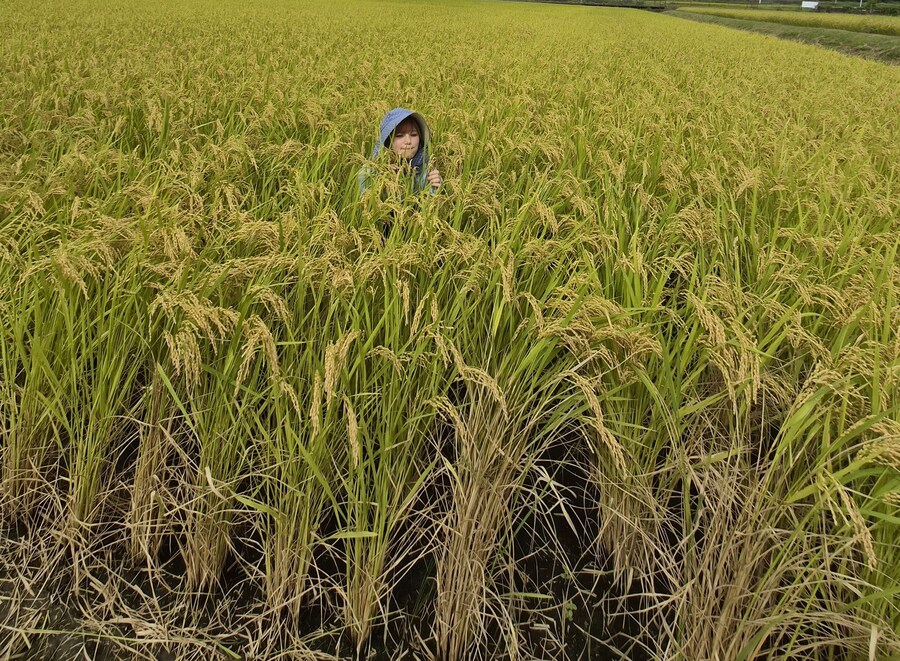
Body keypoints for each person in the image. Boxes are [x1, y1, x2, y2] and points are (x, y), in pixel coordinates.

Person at [359, 108, 442, 197]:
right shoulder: (369, 173)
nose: (408, 141)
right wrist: (383, 183)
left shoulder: (425, 171)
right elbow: (368, 202)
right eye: (399, 135)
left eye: (414, 135)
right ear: (387, 141)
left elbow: (430, 204)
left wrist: (437, 188)